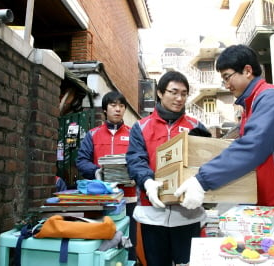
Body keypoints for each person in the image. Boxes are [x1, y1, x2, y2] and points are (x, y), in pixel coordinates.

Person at [175, 44, 274, 237]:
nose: (226, 85)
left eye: (227, 77)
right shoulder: (251, 106)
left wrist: (202, 180)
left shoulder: (271, 98)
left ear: (247, 70)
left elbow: (252, 147)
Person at [126, 71, 209, 266]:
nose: (179, 98)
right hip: (152, 213)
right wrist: (147, 181)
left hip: (187, 214)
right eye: (173, 92)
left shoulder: (196, 126)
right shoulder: (141, 127)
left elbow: (207, 160)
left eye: (184, 93)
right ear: (160, 93)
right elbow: (135, 160)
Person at [76, 91, 137, 260]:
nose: (118, 109)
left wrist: (134, 175)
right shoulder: (93, 134)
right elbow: (81, 161)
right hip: (101, 200)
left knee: (128, 243)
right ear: (105, 109)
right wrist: (98, 172)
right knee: (102, 244)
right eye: (113, 105)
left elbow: (141, 161)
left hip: (128, 199)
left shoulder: (134, 134)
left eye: (121, 106)